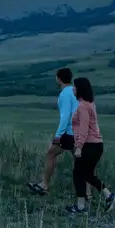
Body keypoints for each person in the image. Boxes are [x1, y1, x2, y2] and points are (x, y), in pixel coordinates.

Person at [68, 77, 115, 215]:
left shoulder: (83, 106)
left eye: (74, 87)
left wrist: (79, 147)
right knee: (86, 174)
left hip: (88, 145)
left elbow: (84, 129)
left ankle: (80, 207)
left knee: (78, 173)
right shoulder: (90, 104)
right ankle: (109, 196)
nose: (73, 89)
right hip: (96, 145)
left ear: (80, 89)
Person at [27, 67, 77, 197]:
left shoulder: (64, 94)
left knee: (50, 154)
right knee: (81, 162)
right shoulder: (75, 91)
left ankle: (44, 185)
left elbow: (65, 117)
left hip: (69, 132)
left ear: (58, 79)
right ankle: (88, 194)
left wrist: (58, 136)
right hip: (79, 131)